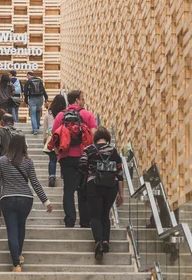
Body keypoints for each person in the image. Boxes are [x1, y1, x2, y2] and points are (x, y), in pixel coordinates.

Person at [0, 133, 53, 272]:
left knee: (12, 229)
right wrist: (45, 201)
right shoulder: (28, 161)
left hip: (8, 198)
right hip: (26, 198)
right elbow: (35, 183)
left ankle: (16, 264)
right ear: (24, 146)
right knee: (21, 226)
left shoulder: (1, 161)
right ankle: (18, 253)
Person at [52, 90, 98, 228]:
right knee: (83, 189)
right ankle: (85, 221)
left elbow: (54, 137)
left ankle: (70, 220)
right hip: (84, 156)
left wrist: (59, 154)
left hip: (66, 157)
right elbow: (95, 136)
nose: (84, 101)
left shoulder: (61, 115)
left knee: (68, 189)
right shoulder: (87, 114)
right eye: (82, 99)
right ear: (77, 100)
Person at [78, 126, 124, 260]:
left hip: (94, 185)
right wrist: (121, 194)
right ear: (108, 138)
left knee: (95, 216)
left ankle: (98, 242)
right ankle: (106, 241)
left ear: (95, 138)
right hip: (111, 186)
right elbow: (120, 174)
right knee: (105, 214)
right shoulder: (114, 152)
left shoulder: (89, 150)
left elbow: (81, 165)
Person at [43, 94, 67, 187]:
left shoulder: (49, 113)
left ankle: (52, 176)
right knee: (62, 157)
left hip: (51, 136)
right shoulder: (65, 113)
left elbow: (45, 125)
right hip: (62, 136)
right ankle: (63, 174)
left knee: (52, 159)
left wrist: (44, 138)